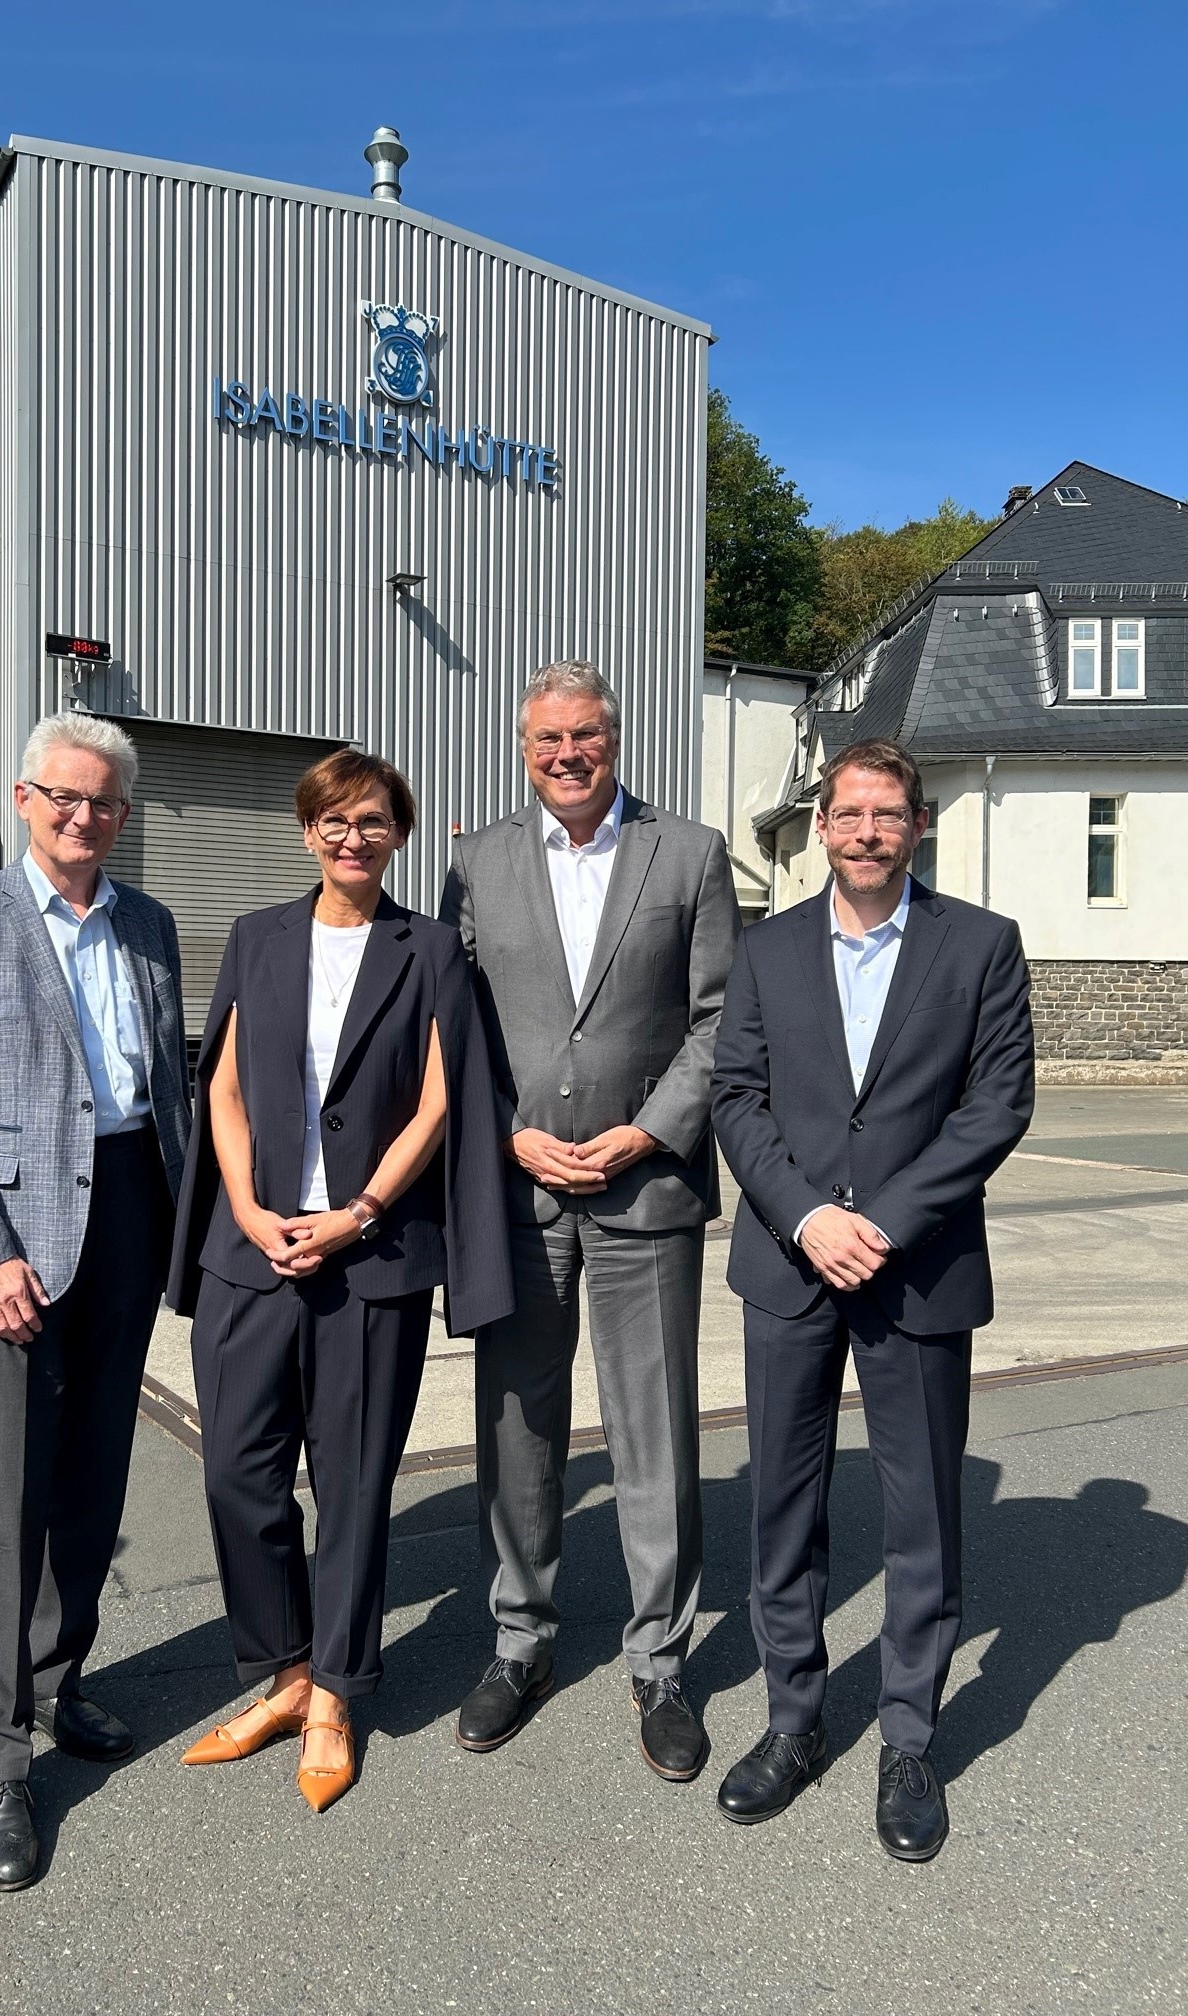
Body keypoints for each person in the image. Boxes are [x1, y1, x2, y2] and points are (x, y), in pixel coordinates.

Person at [169, 749, 514, 1814]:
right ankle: (283, 1672)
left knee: (355, 1488)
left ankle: (335, 1696)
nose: (351, 836)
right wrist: (251, 1206)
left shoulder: (431, 951)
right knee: (237, 1472)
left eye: (372, 820)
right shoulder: (256, 936)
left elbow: (444, 1103)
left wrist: (359, 1211)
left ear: (398, 835)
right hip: (252, 1253)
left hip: (371, 1261)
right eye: (333, 819)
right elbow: (219, 1085)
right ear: (306, 830)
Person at [710, 737, 1034, 1861]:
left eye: (886, 814)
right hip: (789, 1266)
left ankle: (908, 1736)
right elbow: (735, 1097)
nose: (865, 832)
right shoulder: (768, 951)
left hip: (919, 1266)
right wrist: (808, 1216)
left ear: (918, 824)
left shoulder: (982, 947)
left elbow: (995, 1108)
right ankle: (794, 1722)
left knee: (920, 1514)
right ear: (820, 825)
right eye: (846, 813)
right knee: (783, 1509)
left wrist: (883, 1221)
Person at [0, 712, 190, 1892]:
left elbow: (168, 1081)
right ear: (21, 798)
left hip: (127, 1216)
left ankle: (60, 1682)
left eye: (105, 802)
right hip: (16, 1238)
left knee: (93, 1480)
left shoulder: (151, 924)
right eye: (63, 797)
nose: (83, 817)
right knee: (0, 1501)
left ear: (124, 813)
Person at [440, 660, 740, 1780]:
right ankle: (521, 1641)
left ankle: (660, 1661)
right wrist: (504, 1134)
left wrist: (648, 1130)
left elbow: (721, 1019)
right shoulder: (478, 862)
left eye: (586, 736)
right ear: (525, 748)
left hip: (642, 1188)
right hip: (516, 1192)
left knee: (653, 1431)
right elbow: (453, 1023)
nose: (567, 754)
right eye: (547, 739)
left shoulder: (691, 853)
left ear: (615, 739)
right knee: (517, 1427)